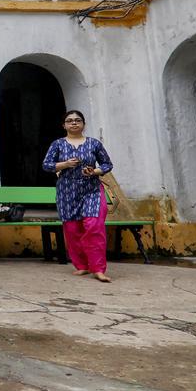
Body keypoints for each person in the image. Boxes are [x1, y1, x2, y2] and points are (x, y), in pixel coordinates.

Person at [41, 110, 114, 283]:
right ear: (64, 125)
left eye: (77, 120)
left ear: (83, 124)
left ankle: (98, 268)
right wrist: (65, 164)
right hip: (67, 192)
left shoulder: (94, 144)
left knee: (94, 226)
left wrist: (94, 171)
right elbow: (47, 165)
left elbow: (107, 164)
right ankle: (82, 265)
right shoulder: (58, 144)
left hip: (91, 190)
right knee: (73, 230)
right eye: (70, 121)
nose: (74, 123)